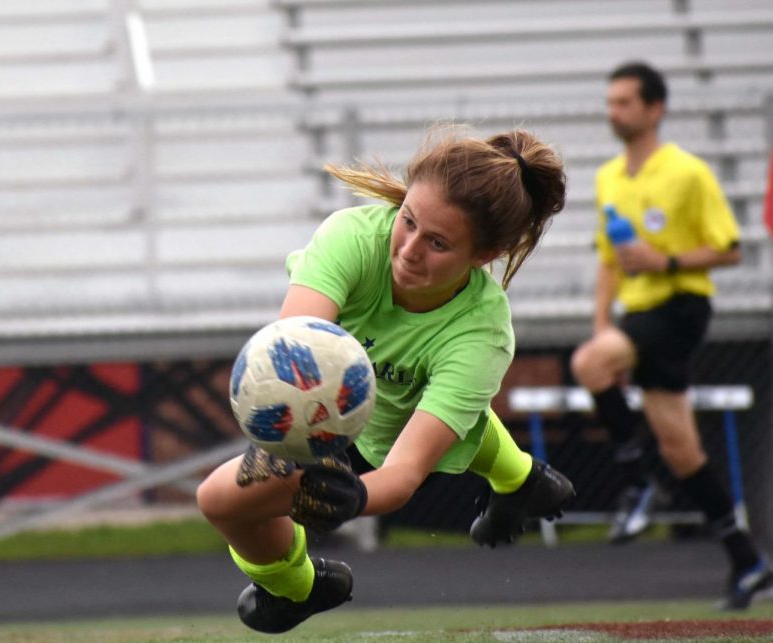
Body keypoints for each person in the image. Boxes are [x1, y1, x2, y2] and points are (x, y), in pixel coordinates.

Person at [196, 126, 575, 633]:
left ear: (484, 256)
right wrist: (292, 444)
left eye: (438, 242)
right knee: (219, 501)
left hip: (399, 426)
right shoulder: (351, 237)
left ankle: (520, 480)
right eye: (409, 220)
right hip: (334, 421)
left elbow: (405, 472)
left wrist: (355, 497)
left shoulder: (482, 335)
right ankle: (301, 589)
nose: (410, 249)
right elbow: (293, 353)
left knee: (449, 420)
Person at [570, 61, 772, 610]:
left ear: (655, 108)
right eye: (611, 102)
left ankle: (637, 485)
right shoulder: (609, 176)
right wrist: (600, 323)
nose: (614, 112)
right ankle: (747, 559)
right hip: (637, 316)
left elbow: (729, 247)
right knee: (682, 449)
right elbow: (610, 261)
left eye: (625, 102)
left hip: (680, 307)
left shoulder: (688, 172)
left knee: (589, 365)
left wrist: (667, 259)